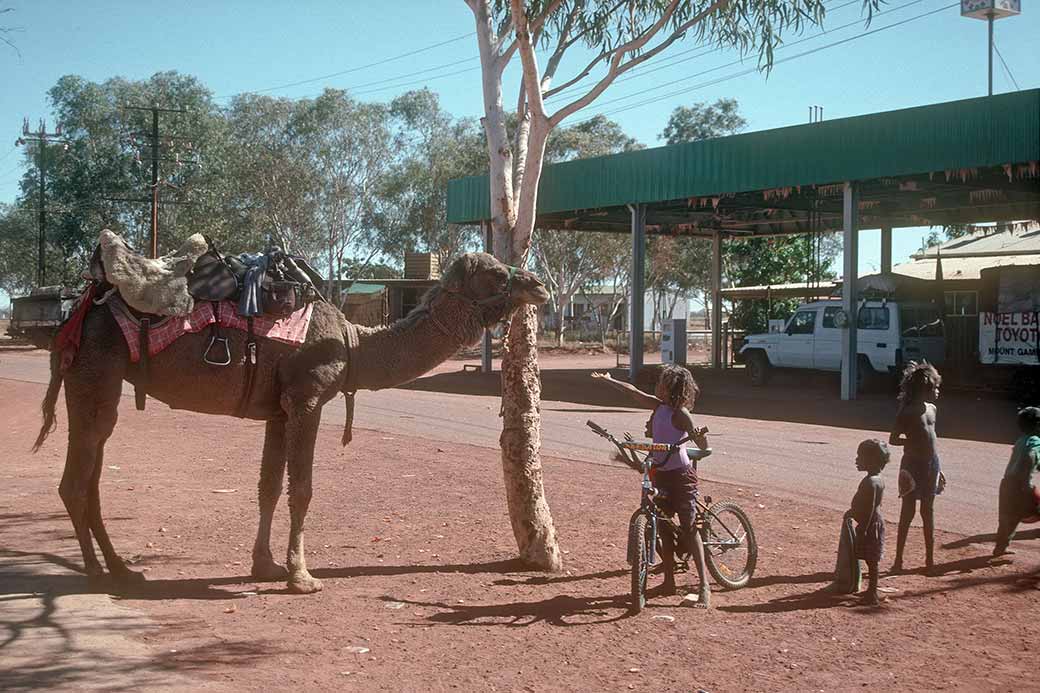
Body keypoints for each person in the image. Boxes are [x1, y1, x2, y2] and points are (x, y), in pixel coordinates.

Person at [591, 366, 710, 607]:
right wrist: (609, 380)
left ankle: (704, 587)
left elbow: (703, 444)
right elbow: (633, 392)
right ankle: (669, 582)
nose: (658, 387)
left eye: (662, 384)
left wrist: (700, 437)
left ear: (673, 389)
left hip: (680, 476)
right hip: (660, 474)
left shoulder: (681, 414)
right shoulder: (658, 407)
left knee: (689, 527)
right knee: (663, 527)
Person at [889, 360, 943, 574]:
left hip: (931, 464)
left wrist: (939, 467)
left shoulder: (933, 409)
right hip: (911, 465)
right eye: (935, 387)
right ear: (925, 388)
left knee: (927, 512)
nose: (938, 392)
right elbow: (893, 439)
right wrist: (910, 443)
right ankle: (898, 561)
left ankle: (929, 561)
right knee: (908, 513)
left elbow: (933, 439)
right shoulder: (907, 412)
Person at [845, 439, 890, 606]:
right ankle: (871, 590)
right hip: (869, 524)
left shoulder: (871, 482)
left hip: (871, 525)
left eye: (860, 457)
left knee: (872, 560)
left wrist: (863, 528)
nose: (857, 460)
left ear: (871, 460)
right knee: (870, 559)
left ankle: (872, 593)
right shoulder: (874, 479)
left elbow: (869, 508)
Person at [993, 406, 1040, 557]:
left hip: (1006, 483)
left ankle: (1000, 548)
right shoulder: (1035, 440)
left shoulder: (1021, 440)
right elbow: (1030, 456)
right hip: (1020, 486)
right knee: (1025, 514)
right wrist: (1026, 483)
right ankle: (1001, 548)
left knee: (1007, 519)